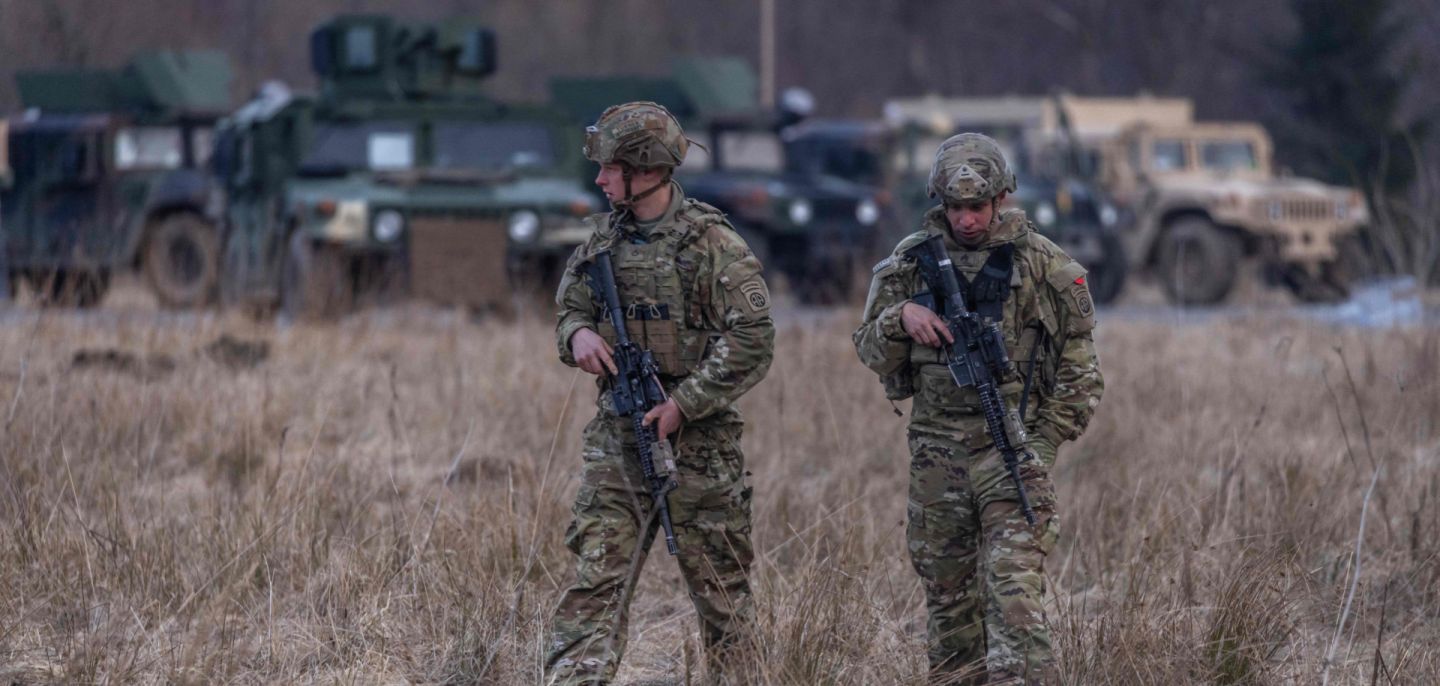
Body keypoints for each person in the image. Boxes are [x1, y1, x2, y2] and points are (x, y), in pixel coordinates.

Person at [852, 133, 1104, 684]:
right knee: (949, 607)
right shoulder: (908, 266)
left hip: (1010, 452)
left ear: (1001, 200)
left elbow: (1081, 373)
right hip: (937, 458)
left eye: (978, 207)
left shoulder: (1043, 266)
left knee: (1015, 598)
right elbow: (869, 350)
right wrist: (902, 320)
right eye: (956, 208)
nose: (967, 220)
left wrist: (1040, 444)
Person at [546, 101, 775, 685]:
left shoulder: (712, 244)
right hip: (620, 439)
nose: (598, 179)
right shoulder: (602, 242)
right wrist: (577, 336)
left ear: (644, 169)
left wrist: (683, 405)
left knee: (723, 598)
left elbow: (753, 340)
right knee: (595, 582)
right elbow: (569, 305)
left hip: (698, 447)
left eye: (609, 168)